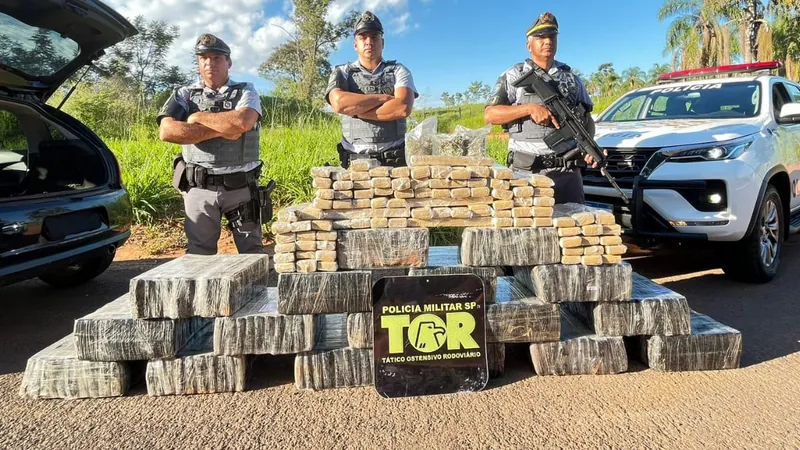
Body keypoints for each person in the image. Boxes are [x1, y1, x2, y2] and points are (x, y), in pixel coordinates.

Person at [157, 33, 269, 255]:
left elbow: (242, 121)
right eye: (203, 58)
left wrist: (197, 118)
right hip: (199, 189)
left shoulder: (246, 90)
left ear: (228, 62)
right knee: (199, 254)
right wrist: (222, 130)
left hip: (241, 188)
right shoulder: (184, 94)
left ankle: (258, 291)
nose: (210, 63)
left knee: (252, 253)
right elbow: (167, 131)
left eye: (216, 58)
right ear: (198, 62)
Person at [484, 12, 599, 204]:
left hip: (567, 172)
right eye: (541, 37)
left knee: (574, 228)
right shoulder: (514, 75)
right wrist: (528, 108)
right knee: (530, 231)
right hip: (527, 172)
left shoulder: (571, 78)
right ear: (529, 45)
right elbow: (490, 115)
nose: (548, 41)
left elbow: (587, 119)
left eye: (552, 37)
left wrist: (589, 147)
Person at [325, 11, 418, 168]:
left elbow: (402, 108)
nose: (369, 42)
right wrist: (383, 98)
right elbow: (340, 103)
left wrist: (356, 111)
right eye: (363, 37)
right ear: (355, 45)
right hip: (355, 162)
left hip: (395, 161)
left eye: (374, 37)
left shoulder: (399, 70)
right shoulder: (342, 72)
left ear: (382, 42)